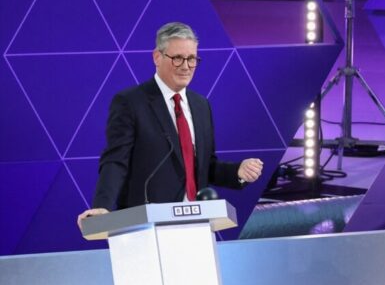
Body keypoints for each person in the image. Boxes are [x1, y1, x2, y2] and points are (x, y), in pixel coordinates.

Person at [77, 21, 263, 229]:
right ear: (157, 57)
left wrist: (238, 171)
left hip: (196, 224)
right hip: (144, 226)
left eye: (191, 59)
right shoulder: (131, 102)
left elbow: (203, 168)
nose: (185, 66)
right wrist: (102, 206)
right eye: (177, 58)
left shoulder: (201, 105)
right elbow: (116, 160)